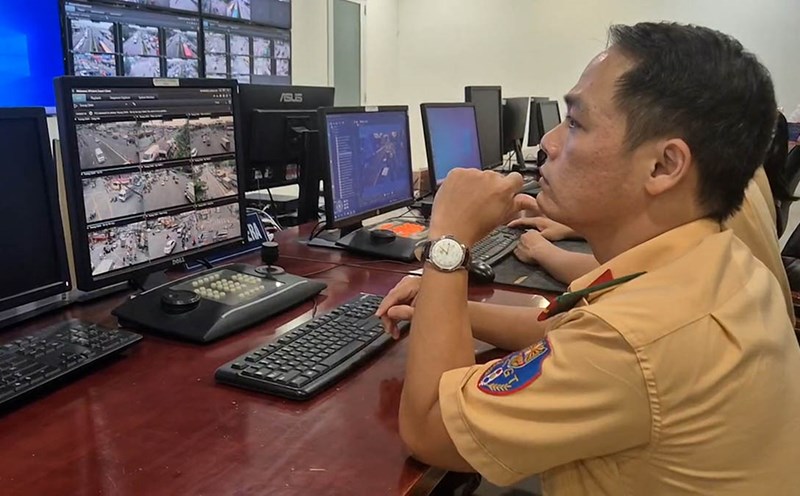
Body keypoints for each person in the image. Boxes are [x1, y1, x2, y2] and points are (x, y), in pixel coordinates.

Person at [375, 22, 800, 494]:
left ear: (663, 166)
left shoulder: (632, 342)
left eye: (576, 123)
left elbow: (431, 429)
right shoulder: (719, 261)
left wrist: (448, 242)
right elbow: (559, 331)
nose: (547, 143)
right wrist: (442, 305)